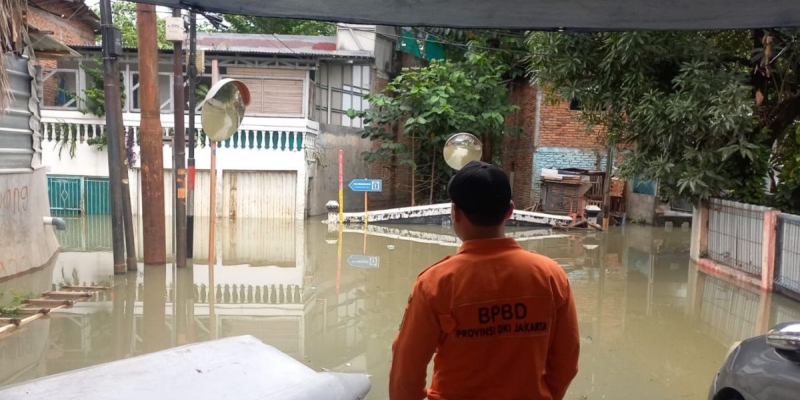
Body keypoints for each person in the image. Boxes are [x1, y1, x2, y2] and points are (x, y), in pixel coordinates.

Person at [389, 161, 580, 400]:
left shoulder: (436, 284)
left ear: (455, 212)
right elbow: (566, 361)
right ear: (510, 211)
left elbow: (406, 370)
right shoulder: (551, 276)